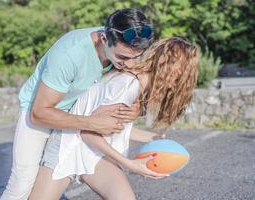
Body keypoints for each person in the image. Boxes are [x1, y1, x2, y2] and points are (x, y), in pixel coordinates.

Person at [0, 9, 153, 200]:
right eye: (122, 58)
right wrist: (92, 123)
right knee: (22, 183)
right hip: (42, 111)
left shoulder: (120, 45)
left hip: (75, 110)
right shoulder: (69, 55)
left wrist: (137, 107)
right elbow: (39, 113)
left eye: (135, 57)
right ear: (104, 39)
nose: (130, 65)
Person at [29, 37, 199, 200]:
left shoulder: (135, 83)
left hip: (94, 151)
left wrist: (152, 138)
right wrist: (129, 163)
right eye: (184, 75)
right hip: (68, 145)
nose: (182, 82)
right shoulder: (126, 86)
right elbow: (88, 132)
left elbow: (116, 128)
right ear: (171, 70)